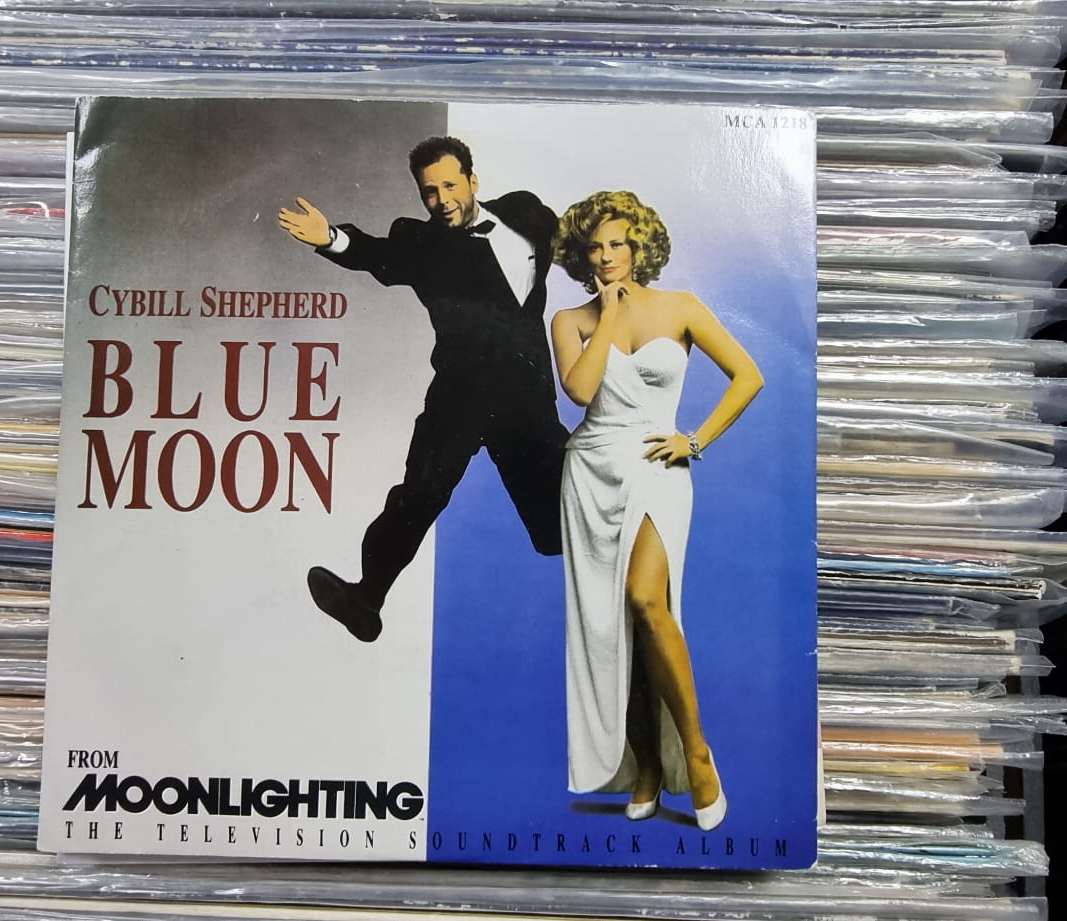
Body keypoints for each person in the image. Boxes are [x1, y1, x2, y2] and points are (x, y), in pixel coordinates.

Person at [279, 137, 569, 643]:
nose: (442, 200)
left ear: (473, 181)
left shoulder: (525, 213)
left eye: (450, 186)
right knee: (419, 494)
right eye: (429, 192)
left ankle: (628, 589)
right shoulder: (420, 242)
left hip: (526, 398)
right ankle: (365, 598)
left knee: (556, 526)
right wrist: (331, 238)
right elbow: (377, 254)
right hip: (459, 398)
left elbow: (578, 244)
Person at [549, 190, 763, 832]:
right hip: (591, 474)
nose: (606, 256)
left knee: (647, 601)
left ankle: (697, 757)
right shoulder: (570, 320)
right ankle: (644, 764)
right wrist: (610, 311)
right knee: (611, 629)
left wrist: (693, 440)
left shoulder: (681, 306)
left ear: (638, 246)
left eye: (617, 243)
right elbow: (580, 390)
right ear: (581, 255)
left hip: (655, 468)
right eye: (595, 247)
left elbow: (748, 375)